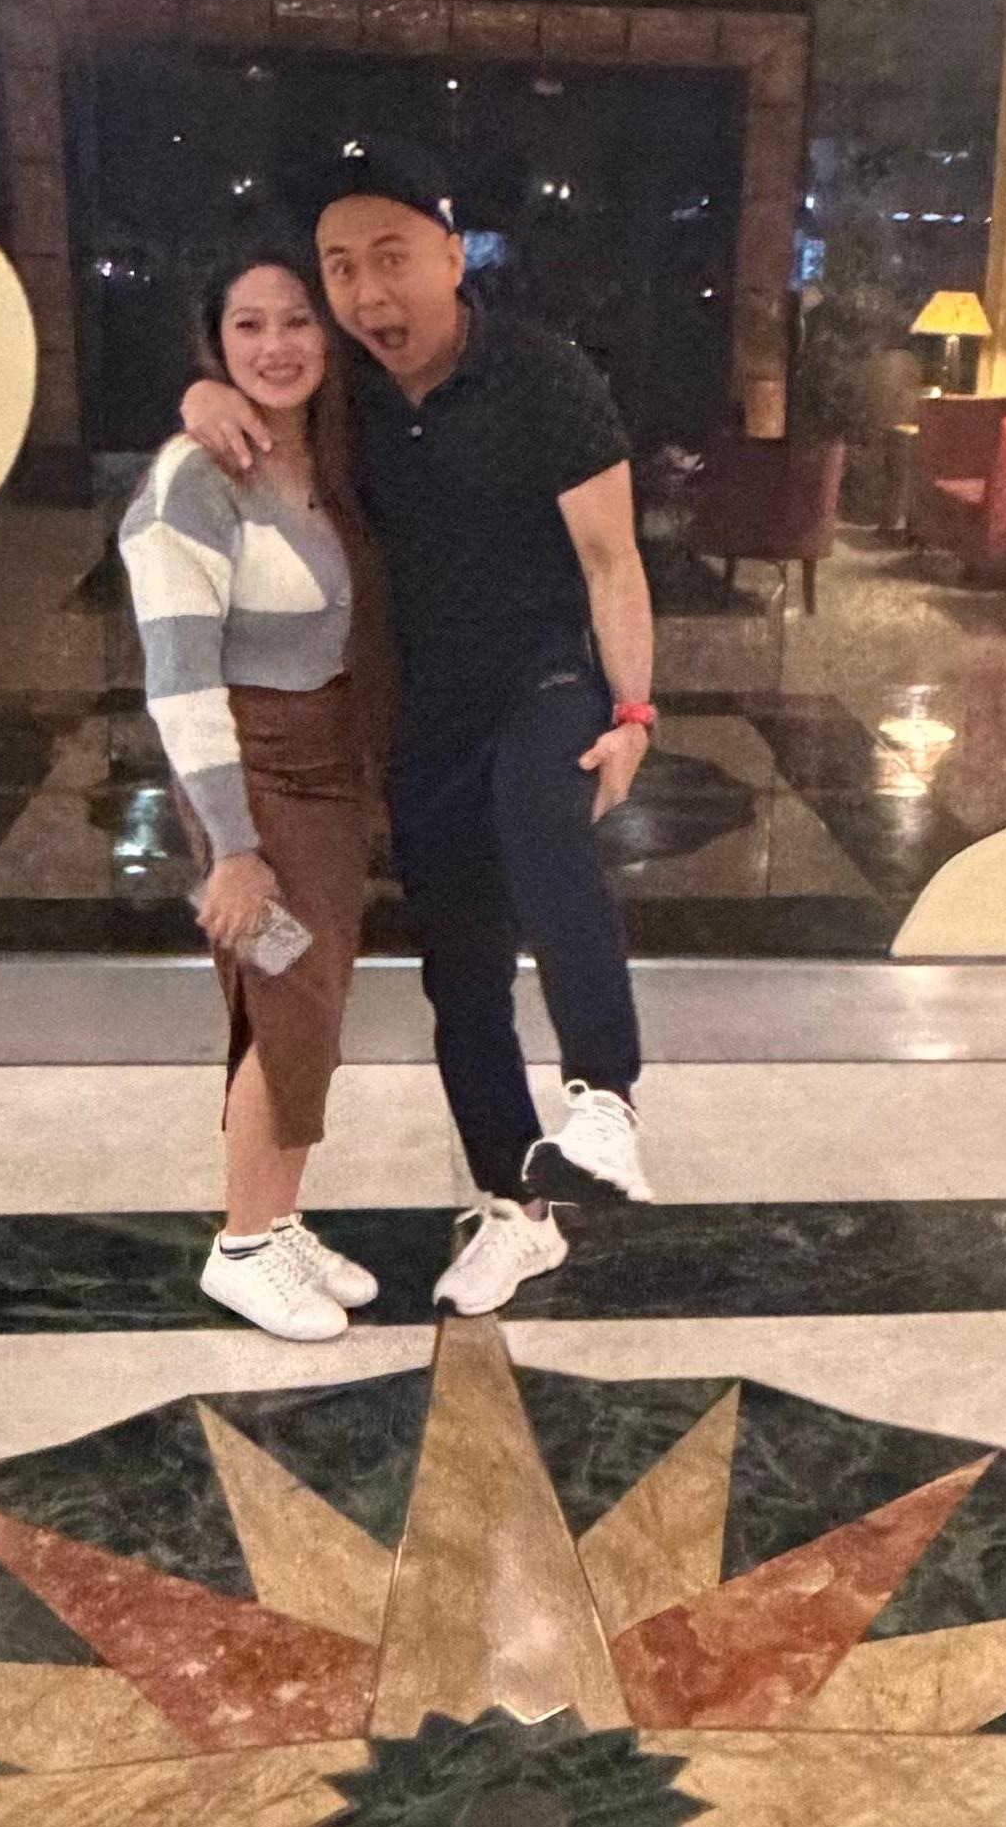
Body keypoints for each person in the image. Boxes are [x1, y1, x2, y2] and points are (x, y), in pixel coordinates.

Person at [177, 144, 652, 1322]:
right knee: (459, 977)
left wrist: (635, 710)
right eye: (340, 268)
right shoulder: (348, 390)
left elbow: (612, 560)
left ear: (451, 254)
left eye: (391, 258)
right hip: (416, 716)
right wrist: (202, 396)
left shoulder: (542, 375)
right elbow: (257, 377)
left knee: (544, 827)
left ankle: (605, 1095)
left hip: (542, 678)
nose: (366, 292)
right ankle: (515, 1212)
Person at [119, 245, 386, 1343]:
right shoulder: (195, 478)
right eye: (248, 325)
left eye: (297, 320)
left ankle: (277, 1222)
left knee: (306, 1002)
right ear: (214, 341)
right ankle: (240, 1246)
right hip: (250, 783)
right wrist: (231, 847)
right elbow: (180, 684)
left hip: (330, 780)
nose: (276, 346)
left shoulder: (331, 455)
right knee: (284, 1000)